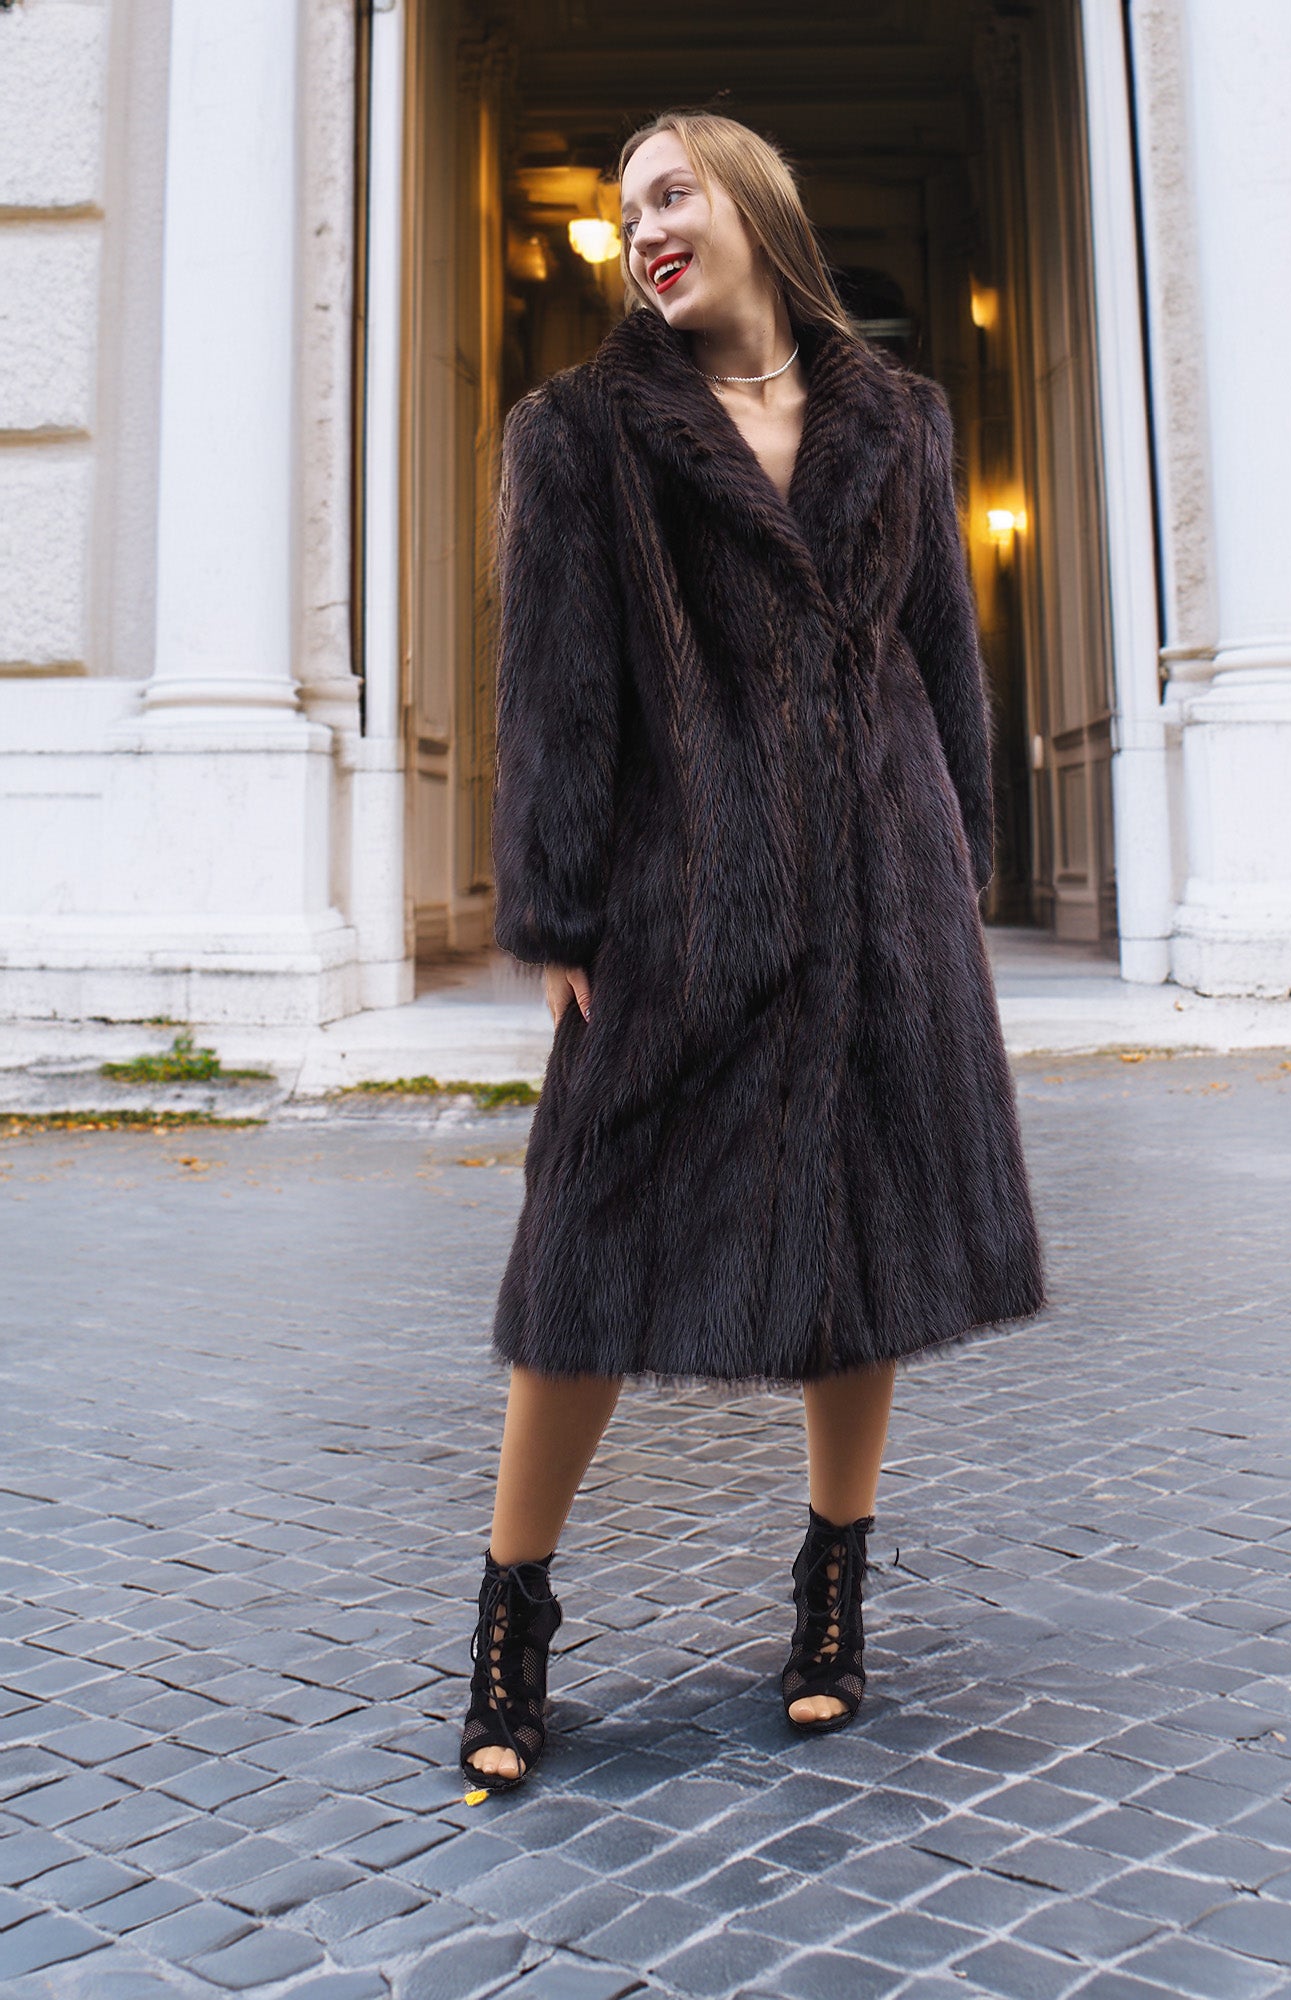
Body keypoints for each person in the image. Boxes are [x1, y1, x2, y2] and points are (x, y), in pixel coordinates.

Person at [461, 109, 1045, 1794]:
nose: (642, 225)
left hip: (882, 889)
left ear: (753, 203)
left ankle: (833, 1590)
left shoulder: (904, 422)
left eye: (669, 191)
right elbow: (558, 687)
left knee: (857, 1231)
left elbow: (946, 653)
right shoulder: (582, 434)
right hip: (678, 893)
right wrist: (560, 904)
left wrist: (960, 870)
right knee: (580, 1251)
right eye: (621, 208)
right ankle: (513, 1613)